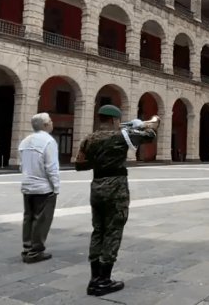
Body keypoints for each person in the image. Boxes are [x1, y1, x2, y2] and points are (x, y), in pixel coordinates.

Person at [75, 104, 159, 296]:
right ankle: (104, 280)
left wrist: (101, 161)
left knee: (98, 230)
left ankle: (94, 278)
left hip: (97, 185)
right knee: (113, 231)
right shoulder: (121, 137)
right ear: (114, 120)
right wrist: (146, 123)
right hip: (116, 188)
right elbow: (151, 136)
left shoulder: (89, 139)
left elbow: (79, 165)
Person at [18, 112, 61, 263]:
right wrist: (56, 187)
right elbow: (51, 167)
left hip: (27, 185)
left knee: (28, 218)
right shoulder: (48, 141)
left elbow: (21, 165)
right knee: (41, 220)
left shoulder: (25, 141)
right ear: (45, 125)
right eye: (50, 121)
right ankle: (35, 252)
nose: (52, 123)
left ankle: (27, 248)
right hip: (43, 187)